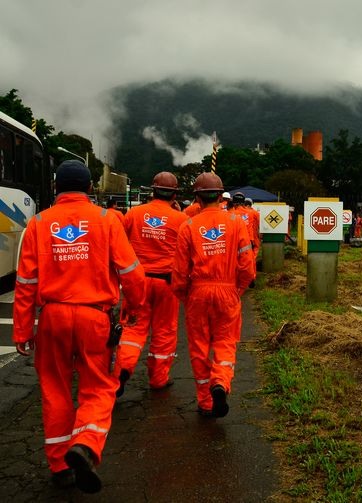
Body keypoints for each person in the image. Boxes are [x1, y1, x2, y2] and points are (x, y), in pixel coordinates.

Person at [13, 160, 145, 493]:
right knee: (99, 387)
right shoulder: (106, 220)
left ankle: (59, 465)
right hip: (94, 317)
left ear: (56, 187)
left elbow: (26, 282)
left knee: (55, 389)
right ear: (89, 188)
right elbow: (131, 272)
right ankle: (85, 443)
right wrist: (134, 303)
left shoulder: (38, 223)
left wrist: (22, 330)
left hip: (53, 317)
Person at [171, 172, 255, 418]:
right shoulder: (236, 223)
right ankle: (220, 382)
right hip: (228, 290)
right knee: (226, 342)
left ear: (196, 197)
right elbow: (247, 265)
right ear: (221, 196)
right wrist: (238, 289)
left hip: (198, 292)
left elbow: (178, 272)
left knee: (198, 347)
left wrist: (186, 296)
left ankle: (206, 402)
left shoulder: (187, 226)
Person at [116, 171, 188, 396]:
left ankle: (123, 369)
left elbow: (121, 246)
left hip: (137, 282)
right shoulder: (182, 220)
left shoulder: (134, 214)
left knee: (133, 329)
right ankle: (158, 379)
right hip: (167, 284)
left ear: (152, 190)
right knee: (164, 331)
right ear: (174, 194)